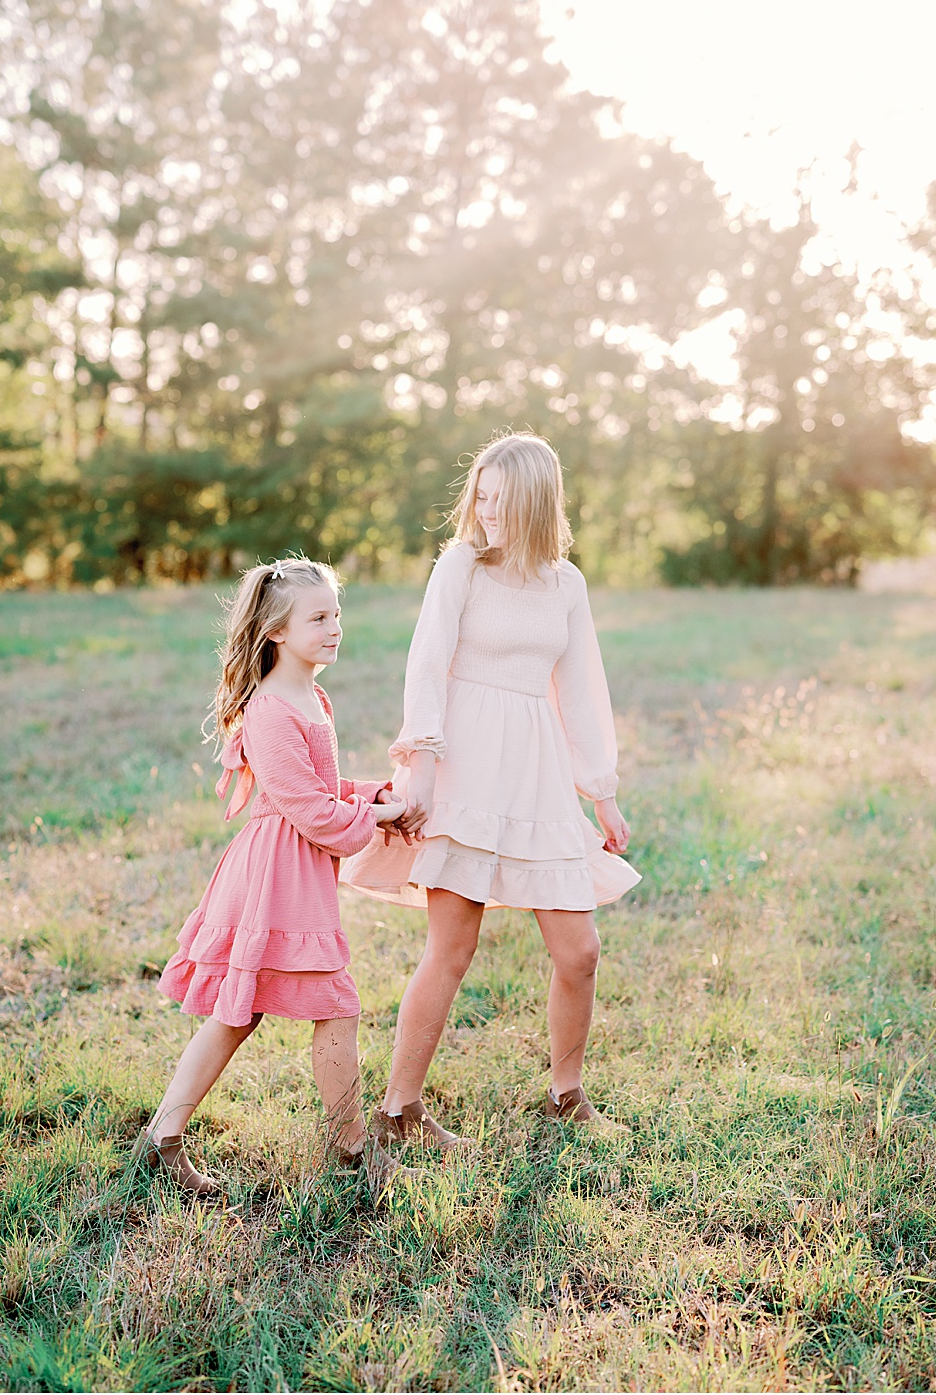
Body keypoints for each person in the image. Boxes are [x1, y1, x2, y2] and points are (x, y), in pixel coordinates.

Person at [342, 431, 641, 1148]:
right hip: (464, 767)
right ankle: (398, 1112)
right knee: (452, 947)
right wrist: (422, 763)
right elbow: (428, 662)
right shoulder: (462, 566)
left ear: (537, 501)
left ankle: (566, 1093)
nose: (486, 511)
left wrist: (600, 790)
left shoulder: (566, 585)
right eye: (480, 496)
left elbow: (579, 688)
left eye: (501, 500)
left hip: (535, 775)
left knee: (580, 951)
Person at [140, 557, 409, 1196]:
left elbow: (321, 790)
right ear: (277, 631)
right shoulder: (270, 709)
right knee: (315, 1006)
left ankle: (162, 1137)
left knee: (246, 1013)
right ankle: (351, 1151)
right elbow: (308, 807)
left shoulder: (313, 696)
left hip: (299, 868)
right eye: (318, 617)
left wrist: (375, 795)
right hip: (274, 874)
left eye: (336, 613)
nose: (334, 627)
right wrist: (372, 817)